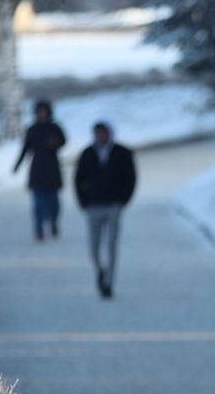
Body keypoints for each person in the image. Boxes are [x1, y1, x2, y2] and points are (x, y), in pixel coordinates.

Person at [74, 121, 136, 299]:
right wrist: (83, 201)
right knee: (93, 247)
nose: (101, 136)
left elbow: (131, 177)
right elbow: (78, 179)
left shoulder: (122, 153)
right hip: (93, 206)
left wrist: (124, 199)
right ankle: (100, 270)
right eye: (98, 133)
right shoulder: (87, 153)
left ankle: (109, 282)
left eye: (104, 132)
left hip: (113, 205)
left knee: (111, 245)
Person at [13, 99, 67, 242]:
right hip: (37, 172)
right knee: (38, 206)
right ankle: (38, 231)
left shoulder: (54, 128)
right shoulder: (32, 130)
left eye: (43, 112)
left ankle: (54, 223)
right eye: (39, 112)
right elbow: (26, 149)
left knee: (54, 204)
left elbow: (63, 142)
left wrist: (54, 143)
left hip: (52, 171)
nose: (41, 114)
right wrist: (17, 165)